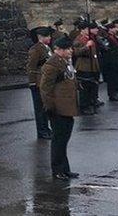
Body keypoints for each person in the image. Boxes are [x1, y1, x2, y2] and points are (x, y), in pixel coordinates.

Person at [40, 36, 80, 181]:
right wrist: (50, 107)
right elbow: (45, 88)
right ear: (59, 50)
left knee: (64, 139)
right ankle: (57, 170)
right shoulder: (52, 65)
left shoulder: (65, 62)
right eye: (68, 49)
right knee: (58, 140)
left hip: (67, 107)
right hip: (58, 108)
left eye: (70, 48)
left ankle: (65, 169)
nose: (71, 51)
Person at [26, 27, 53, 139]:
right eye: (47, 36)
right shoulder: (35, 49)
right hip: (37, 82)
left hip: (45, 81)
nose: (50, 38)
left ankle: (46, 128)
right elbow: (31, 67)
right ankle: (41, 131)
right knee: (39, 108)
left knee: (45, 107)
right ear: (41, 37)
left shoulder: (47, 48)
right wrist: (32, 82)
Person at [72, 22, 100, 115]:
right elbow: (76, 53)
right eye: (86, 29)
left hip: (92, 65)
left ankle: (91, 102)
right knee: (84, 87)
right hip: (84, 66)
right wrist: (86, 46)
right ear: (82, 30)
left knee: (92, 86)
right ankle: (84, 106)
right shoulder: (78, 40)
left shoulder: (90, 38)